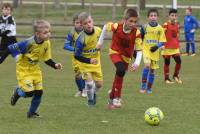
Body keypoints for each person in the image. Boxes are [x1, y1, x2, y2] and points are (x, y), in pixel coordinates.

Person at [3, 20, 62, 118]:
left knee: (39, 92)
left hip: (35, 70)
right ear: (37, 34)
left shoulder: (47, 43)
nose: (48, 34)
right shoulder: (28, 42)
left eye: (49, 31)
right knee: (29, 92)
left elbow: (47, 59)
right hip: (23, 70)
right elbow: (10, 48)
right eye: (45, 32)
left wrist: (55, 65)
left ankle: (31, 113)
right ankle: (17, 91)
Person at [96, 8, 143, 109]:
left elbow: (139, 50)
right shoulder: (117, 26)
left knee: (119, 75)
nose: (133, 24)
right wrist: (100, 43)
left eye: (135, 22)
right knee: (120, 70)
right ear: (124, 20)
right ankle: (117, 98)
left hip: (126, 58)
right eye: (131, 21)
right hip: (115, 52)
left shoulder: (137, 33)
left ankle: (111, 97)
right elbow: (105, 27)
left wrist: (136, 63)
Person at [74, 12, 102, 106]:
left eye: (89, 22)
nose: (88, 24)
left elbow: (101, 40)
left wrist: (100, 46)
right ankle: (90, 101)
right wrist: (89, 60)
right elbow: (76, 56)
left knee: (99, 85)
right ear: (81, 25)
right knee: (89, 84)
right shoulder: (80, 39)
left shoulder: (98, 30)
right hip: (84, 64)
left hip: (96, 63)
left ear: (92, 21)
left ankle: (93, 93)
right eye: (85, 23)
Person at [140, 8, 166, 94]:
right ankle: (143, 86)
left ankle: (149, 88)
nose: (153, 17)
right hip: (146, 50)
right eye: (151, 15)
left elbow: (162, 41)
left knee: (152, 70)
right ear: (148, 17)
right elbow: (140, 38)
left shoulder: (160, 28)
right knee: (147, 65)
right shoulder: (144, 27)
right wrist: (137, 50)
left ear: (157, 17)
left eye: (155, 15)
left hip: (155, 52)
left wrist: (157, 46)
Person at [63, 13, 86, 97]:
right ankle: (80, 90)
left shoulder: (87, 32)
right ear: (73, 23)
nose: (79, 24)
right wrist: (75, 49)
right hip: (76, 57)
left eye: (81, 22)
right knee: (77, 76)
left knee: (85, 73)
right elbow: (65, 45)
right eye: (77, 22)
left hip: (86, 57)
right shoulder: (72, 33)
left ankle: (84, 90)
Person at [162, 9, 182, 84]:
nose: (174, 17)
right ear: (169, 16)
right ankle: (166, 78)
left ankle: (175, 75)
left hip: (175, 48)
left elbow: (176, 35)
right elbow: (161, 35)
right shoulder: (165, 24)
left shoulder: (177, 25)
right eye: (172, 15)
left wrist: (177, 43)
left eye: (175, 16)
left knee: (179, 61)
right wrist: (162, 45)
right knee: (167, 63)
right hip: (166, 48)